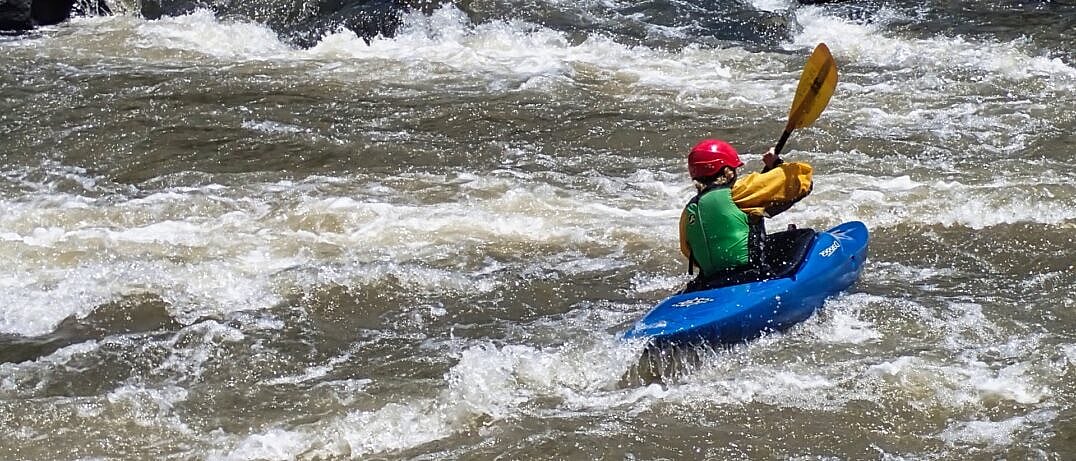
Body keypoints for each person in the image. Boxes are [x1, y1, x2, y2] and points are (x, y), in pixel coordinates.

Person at [678, 139, 813, 289]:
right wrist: (776, 162)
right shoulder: (739, 192)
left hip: (708, 283)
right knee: (803, 236)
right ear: (726, 171)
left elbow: (688, 252)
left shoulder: (688, 210)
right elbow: (802, 180)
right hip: (750, 277)